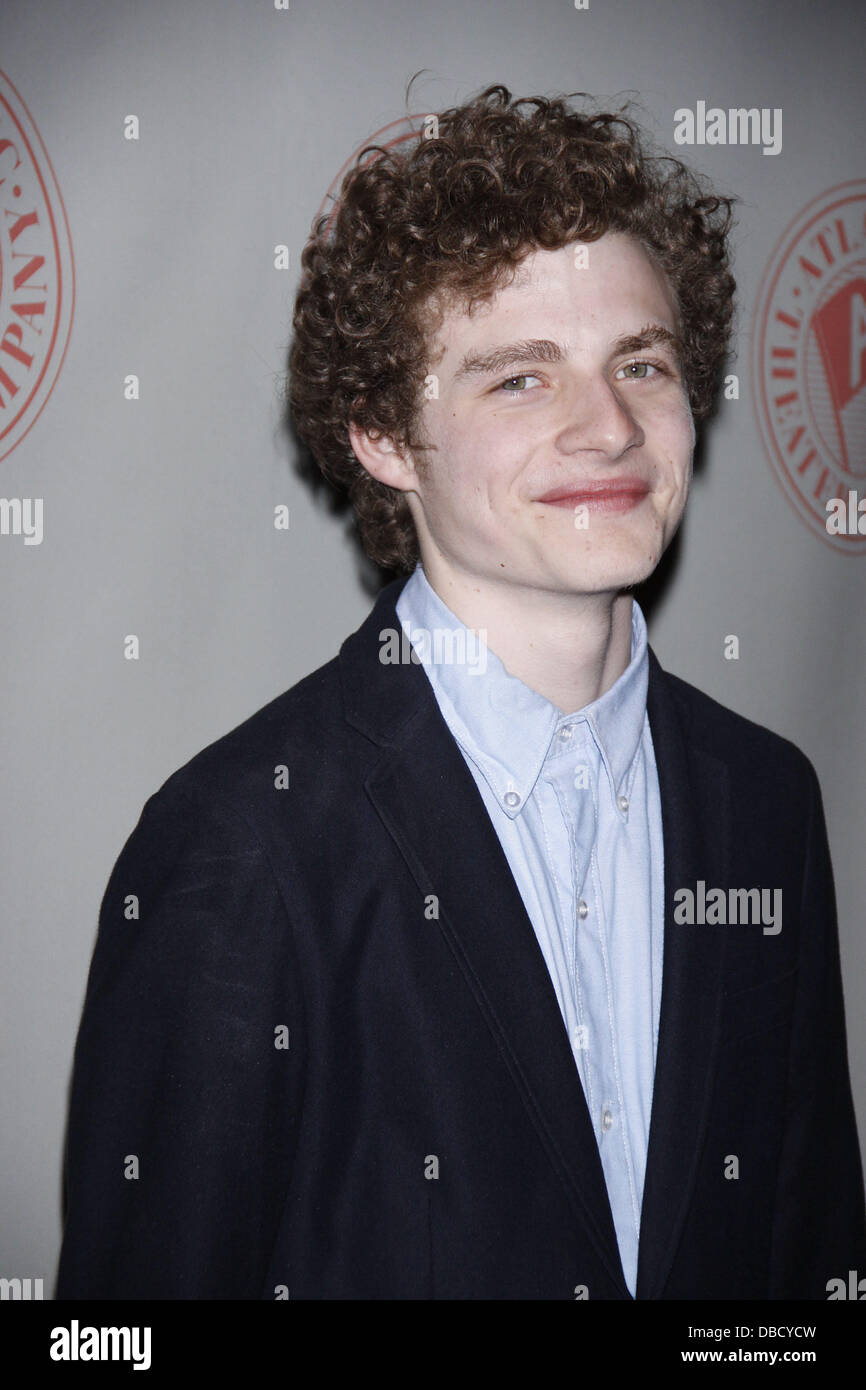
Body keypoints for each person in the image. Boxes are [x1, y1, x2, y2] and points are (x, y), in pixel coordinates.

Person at [56, 84, 865, 1300]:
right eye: (519, 380)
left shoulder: (763, 800)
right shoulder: (239, 842)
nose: (607, 429)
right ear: (384, 434)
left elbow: (804, 1274)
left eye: (638, 363)